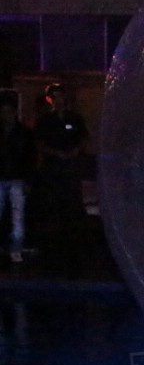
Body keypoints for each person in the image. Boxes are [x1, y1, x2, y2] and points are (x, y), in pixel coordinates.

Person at [34, 83, 90, 274]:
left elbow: (83, 138)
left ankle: (75, 246)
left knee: (73, 205)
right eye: (54, 97)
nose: (58, 100)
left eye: (60, 96)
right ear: (50, 99)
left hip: (71, 169)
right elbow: (40, 143)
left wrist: (75, 151)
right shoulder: (44, 121)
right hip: (53, 169)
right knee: (53, 206)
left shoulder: (75, 118)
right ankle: (54, 248)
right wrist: (56, 153)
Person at [0, 91, 36, 263]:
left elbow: (30, 158)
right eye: (3, 112)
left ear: (14, 112)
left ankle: (16, 247)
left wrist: (28, 180)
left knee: (17, 214)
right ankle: (11, 246)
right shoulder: (11, 132)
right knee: (13, 214)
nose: (6, 116)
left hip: (16, 178)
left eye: (8, 112)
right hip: (3, 177)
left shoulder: (24, 133)